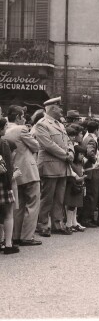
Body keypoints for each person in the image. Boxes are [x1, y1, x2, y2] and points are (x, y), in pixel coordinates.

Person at [4, 105, 42, 246]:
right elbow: (36, 146)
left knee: (18, 205)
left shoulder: (5, 130)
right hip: (28, 171)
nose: (24, 118)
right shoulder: (21, 129)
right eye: (23, 116)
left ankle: (15, 235)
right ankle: (27, 236)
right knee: (32, 203)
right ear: (19, 116)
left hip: (14, 171)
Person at [35, 97, 74, 237]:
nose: (62, 109)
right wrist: (66, 155)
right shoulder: (41, 124)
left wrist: (71, 151)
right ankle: (43, 225)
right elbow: (48, 145)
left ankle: (58, 224)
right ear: (52, 108)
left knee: (59, 198)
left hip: (62, 166)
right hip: (50, 166)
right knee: (47, 197)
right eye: (59, 107)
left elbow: (68, 140)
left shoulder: (60, 124)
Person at [0, 118, 20, 254]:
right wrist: (10, 181)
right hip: (3, 182)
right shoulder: (3, 142)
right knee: (8, 213)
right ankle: (8, 244)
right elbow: (8, 165)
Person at [64, 145, 87, 232]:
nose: (82, 156)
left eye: (83, 154)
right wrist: (78, 177)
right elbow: (71, 173)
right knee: (71, 205)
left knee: (75, 205)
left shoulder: (81, 163)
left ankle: (74, 222)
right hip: (72, 185)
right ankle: (68, 224)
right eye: (81, 154)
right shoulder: (71, 164)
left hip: (79, 185)